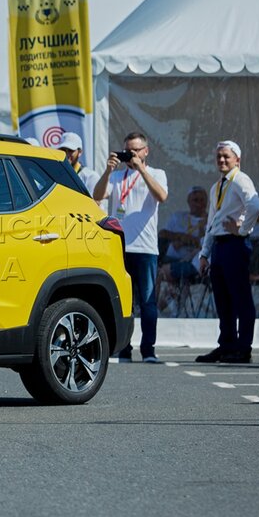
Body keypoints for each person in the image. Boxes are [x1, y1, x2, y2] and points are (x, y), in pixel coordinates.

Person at [94, 132, 169, 363]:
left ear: (146, 151)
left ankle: (148, 350)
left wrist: (141, 170)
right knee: (124, 301)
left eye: (136, 150)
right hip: (120, 247)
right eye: (128, 150)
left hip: (145, 248)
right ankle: (123, 349)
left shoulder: (156, 173)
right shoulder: (117, 177)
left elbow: (162, 196)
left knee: (147, 301)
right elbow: (97, 196)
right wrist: (108, 171)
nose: (131, 154)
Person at [196, 140, 259, 364]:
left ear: (237, 159)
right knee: (223, 300)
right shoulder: (217, 186)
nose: (222, 160)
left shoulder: (240, 179)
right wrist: (204, 253)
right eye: (219, 156)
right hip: (219, 245)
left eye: (226, 156)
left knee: (240, 297)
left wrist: (242, 229)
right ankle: (226, 345)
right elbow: (212, 221)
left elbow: (255, 205)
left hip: (235, 244)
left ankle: (243, 348)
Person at [156, 186, 208, 315]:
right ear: (189, 202)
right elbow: (162, 233)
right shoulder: (179, 217)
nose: (199, 203)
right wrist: (180, 236)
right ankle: (158, 309)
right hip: (172, 258)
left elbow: (205, 243)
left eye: (202, 200)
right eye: (195, 200)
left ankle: (156, 309)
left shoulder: (210, 220)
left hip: (192, 263)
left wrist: (191, 240)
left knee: (168, 276)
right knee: (172, 280)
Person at [59, 132, 101, 197]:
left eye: (70, 150)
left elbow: (94, 201)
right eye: (63, 150)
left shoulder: (91, 177)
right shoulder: (55, 174)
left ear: (80, 152)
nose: (66, 154)